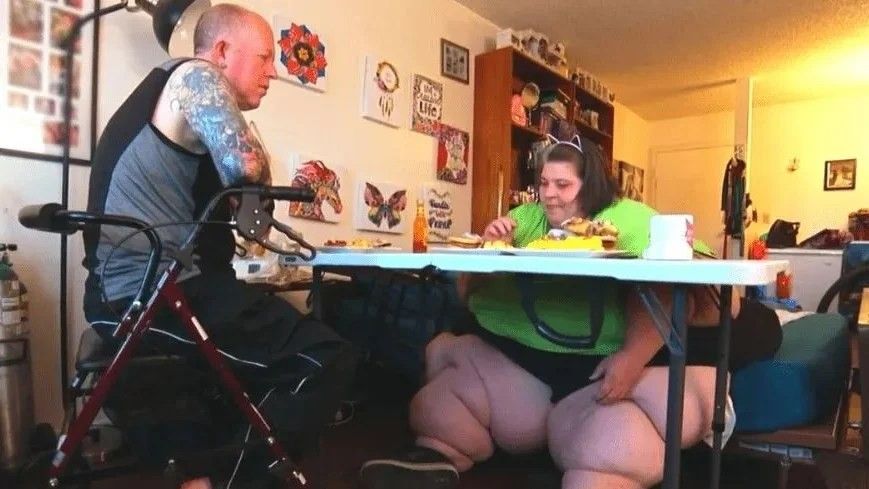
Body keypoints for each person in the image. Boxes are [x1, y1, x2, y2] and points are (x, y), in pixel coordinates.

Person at [359, 135, 781, 489]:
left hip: (616, 363)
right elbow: (470, 292)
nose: (549, 194)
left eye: (563, 184)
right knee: (443, 395)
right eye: (544, 183)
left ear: (590, 185)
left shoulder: (631, 219)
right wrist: (489, 244)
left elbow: (699, 287)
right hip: (527, 360)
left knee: (612, 448)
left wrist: (633, 358)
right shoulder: (525, 219)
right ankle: (434, 458)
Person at [82, 5, 356, 488]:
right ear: (223, 51)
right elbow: (245, 164)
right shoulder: (196, 76)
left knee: (244, 363)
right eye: (266, 58)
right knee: (327, 357)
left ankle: (203, 477)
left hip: (137, 290)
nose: (274, 72)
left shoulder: (169, 95)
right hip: (149, 296)